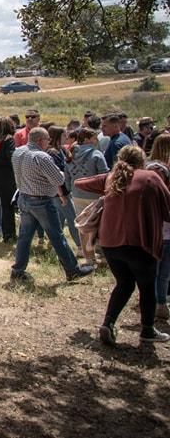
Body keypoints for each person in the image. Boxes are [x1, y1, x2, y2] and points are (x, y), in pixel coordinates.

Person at [75, 146, 170, 344]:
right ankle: (147, 330)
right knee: (146, 286)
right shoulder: (150, 177)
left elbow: (81, 183)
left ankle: (108, 323)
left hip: (110, 243)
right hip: (139, 242)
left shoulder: (112, 177)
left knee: (124, 283)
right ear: (142, 160)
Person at [10, 127, 94, 283]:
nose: (48, 142)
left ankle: (18, 270)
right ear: (40, 140)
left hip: (24, 197)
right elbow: (59, 180)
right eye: (47, 139)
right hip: (41, 201)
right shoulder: (42, 157)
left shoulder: (18, 152)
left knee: (24, 237)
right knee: (56, 236)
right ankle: (72, 270)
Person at [145, 133, 170, 320]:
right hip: (162, 227)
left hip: (150, 226)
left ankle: (154, 302)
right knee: (162, 271)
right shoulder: (159, 170)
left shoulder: (146, 168)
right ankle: (159, 303)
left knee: (154, 269)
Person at [66, 127, 109, 219]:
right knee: (96, 223)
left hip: (77, 194)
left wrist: (70, 189)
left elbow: (67, 175)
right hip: (94, 195)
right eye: (94, 138)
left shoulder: (71, 154)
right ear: (86, 140)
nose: (97, 140)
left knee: (82, 223)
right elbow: (104, 175)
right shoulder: (97, 154)